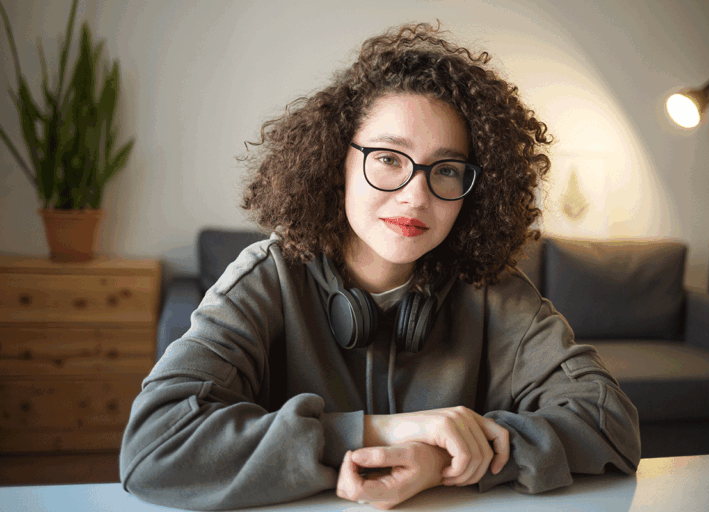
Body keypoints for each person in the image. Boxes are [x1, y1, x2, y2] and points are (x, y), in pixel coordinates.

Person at [120, 22, 641, 511]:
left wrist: (442, 460)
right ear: (336, 162)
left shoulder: (492, 289)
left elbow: (610, 422)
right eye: (389, 158)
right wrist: (380, 433)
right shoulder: (267, 276)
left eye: (446, 169)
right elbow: (154, 445)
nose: (416, 196)